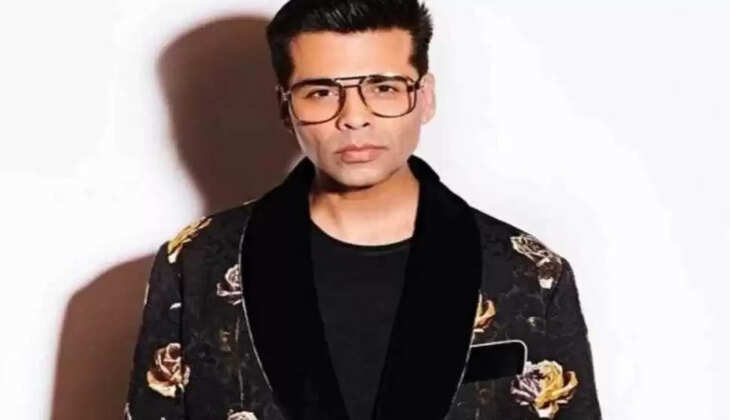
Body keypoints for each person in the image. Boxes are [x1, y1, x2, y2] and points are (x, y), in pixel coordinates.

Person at [123, 1, 602, 419]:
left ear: (425, 97)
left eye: (384, 88)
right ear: (285, 107)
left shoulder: (529, 272)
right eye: (321, 92)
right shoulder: (196, 262)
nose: (354, 117)